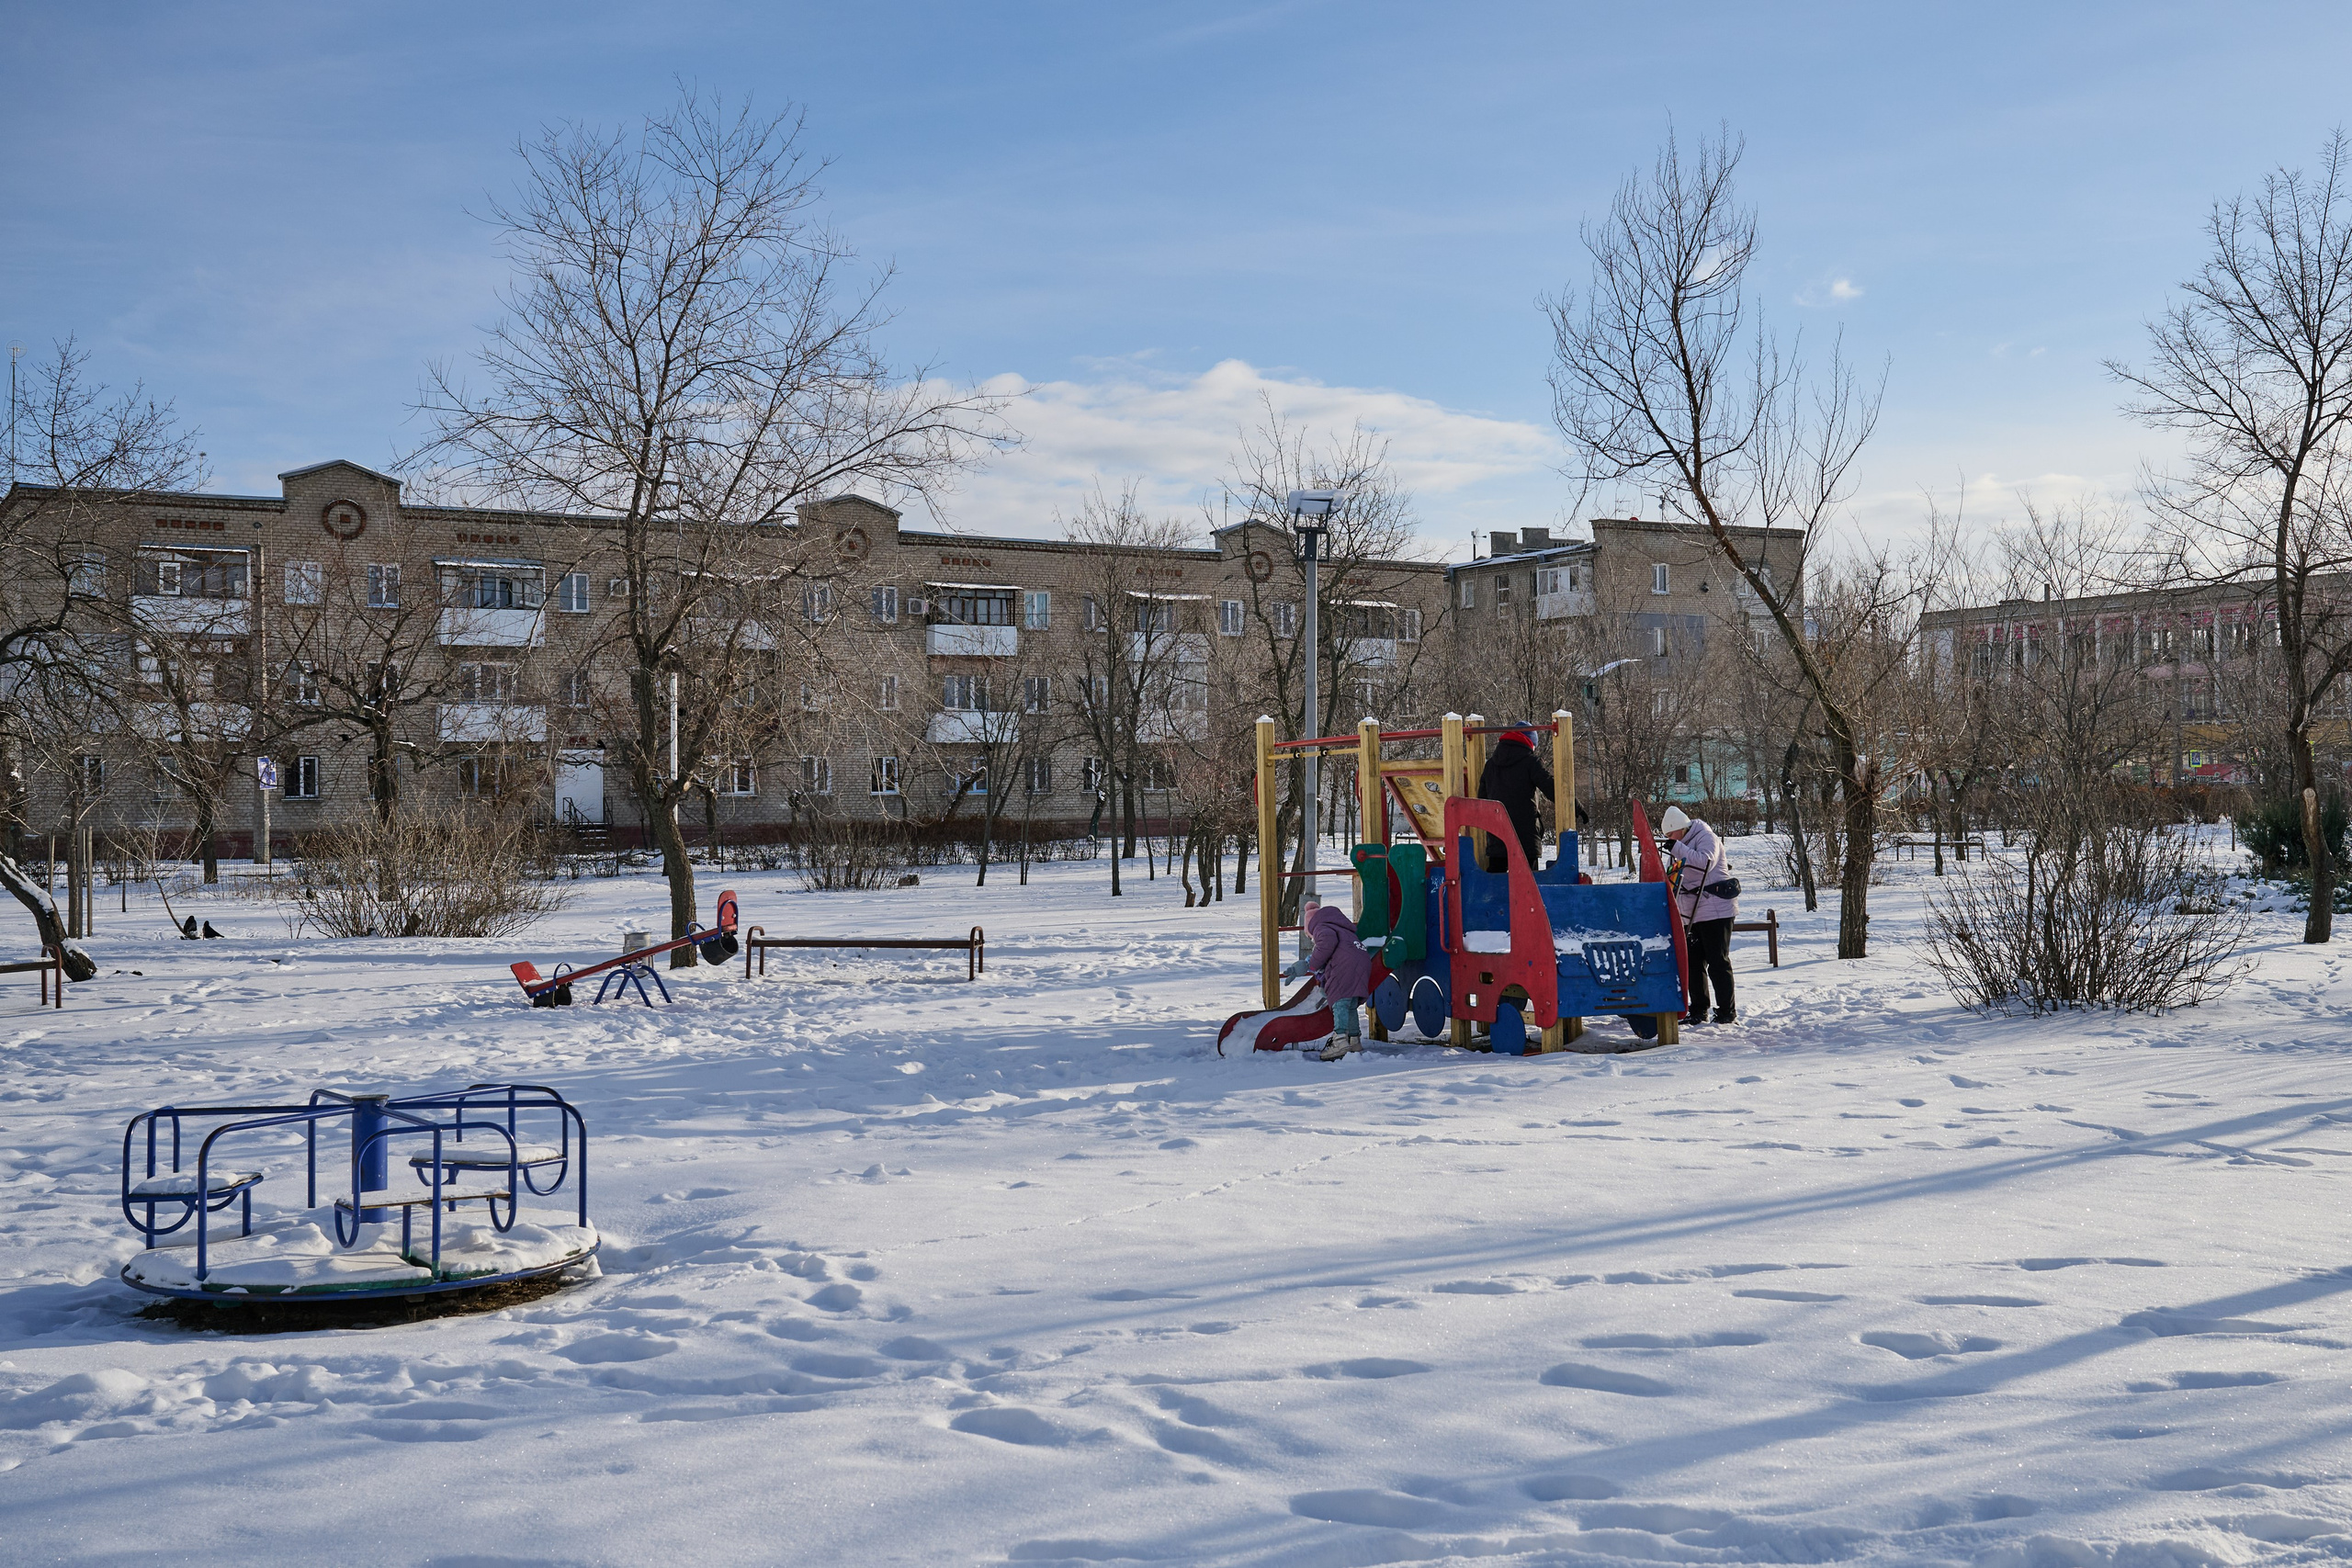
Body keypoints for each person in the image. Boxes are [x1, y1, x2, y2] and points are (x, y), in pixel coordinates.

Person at [1660, 805, 1737, 1023]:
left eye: (1670, 834)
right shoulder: (1679, 846)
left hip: (1716, 910)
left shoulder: (1706, 836)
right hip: (1691, 913)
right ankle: (1698, 1010)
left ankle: (1726, 1012)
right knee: (1693, 963)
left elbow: (1706, 862)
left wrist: (1677, 849)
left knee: (1717, 961)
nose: (1669, 838)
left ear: (1680, 828)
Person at [1477, 725, 1587, 873]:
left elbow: (1482, 800)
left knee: (1494, 883)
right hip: (1526, 837)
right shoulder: (1530, 762)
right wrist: (1576, 806)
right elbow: (1552, 788)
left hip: (1498, 835)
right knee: (1529, 885)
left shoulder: (1490, 765)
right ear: (1530, 742)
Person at [1282, 897, 1374, 1061]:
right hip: (1362, 961)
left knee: (1339, 1002)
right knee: (1350, 1004)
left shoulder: (1320, 927)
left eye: (1310, 936)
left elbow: (1326, 944)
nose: (1312, 939)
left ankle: (1339, 1040)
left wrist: (1313, 965)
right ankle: (1354, 1040)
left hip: (1345, 965)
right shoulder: (1342, 928)